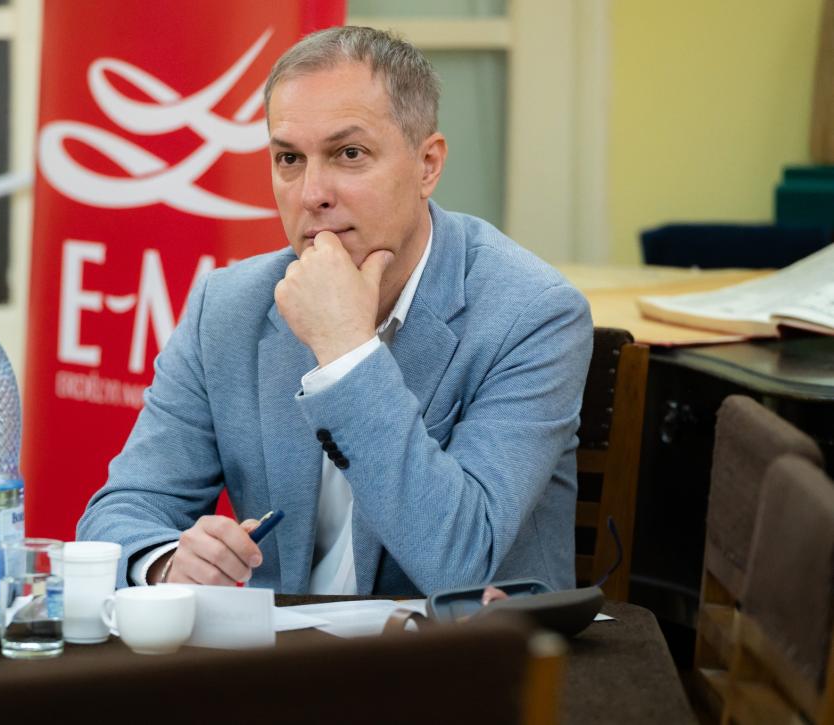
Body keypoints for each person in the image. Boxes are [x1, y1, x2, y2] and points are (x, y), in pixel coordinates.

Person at [77, 26, 593, 596]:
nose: (311, 194)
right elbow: (122, 512)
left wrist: (347, 352)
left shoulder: (533, 315)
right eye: (289, 158)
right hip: (280, 646)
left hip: (460, 649)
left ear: (427, 165)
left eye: (349, 154)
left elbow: (462, 560)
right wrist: (169, 562)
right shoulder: (226, 307)